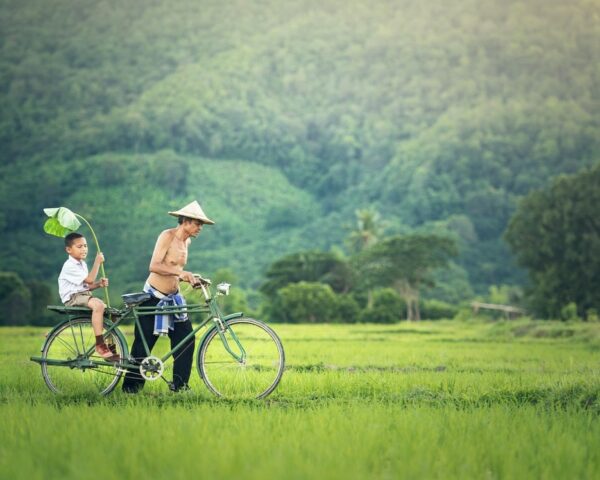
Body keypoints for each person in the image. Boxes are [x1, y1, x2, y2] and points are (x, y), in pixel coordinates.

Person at [122, 200, 215, 393]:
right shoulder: (167, 236)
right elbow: (154, 266)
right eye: (198, 224)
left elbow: (176, 269)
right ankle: (130, 390)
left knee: (186, 339)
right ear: (186, 221)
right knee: (143, 345)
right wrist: (181, 274)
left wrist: (192, 277)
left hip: (174, 298)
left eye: (201, 225)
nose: (200, 228)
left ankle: (180, 387)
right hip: (153, 297)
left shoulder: (186, 241)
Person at [58, 232, 117, 361]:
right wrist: (97, 262)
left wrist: (99, 284)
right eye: (79, 246)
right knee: (99, 305)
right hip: (73, 298)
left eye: (85, 246)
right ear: (68, 250)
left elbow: (87, 286)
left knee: (112, 312)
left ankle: (111, 346)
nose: (84, 249)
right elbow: (89, 280)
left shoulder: (82, 264)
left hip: (83, 295)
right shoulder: (69, 265)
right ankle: (100, 344)